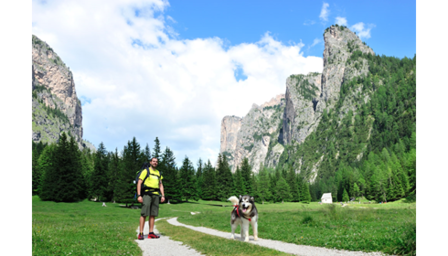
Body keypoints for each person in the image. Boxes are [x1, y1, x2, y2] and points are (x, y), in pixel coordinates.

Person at [137, 157, 165, 240]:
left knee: (153, 214)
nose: (155, 163)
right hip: (147, 194)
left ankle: (151, 233)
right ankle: (141, 233)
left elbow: (160, 185)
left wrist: (163, 195)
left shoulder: (158, 173)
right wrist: (139, 195)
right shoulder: (146, 171)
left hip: (156, 195)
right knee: (144, 213)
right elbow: (139, 183)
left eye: (156, 162)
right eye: (153, 161)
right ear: (150, 162)